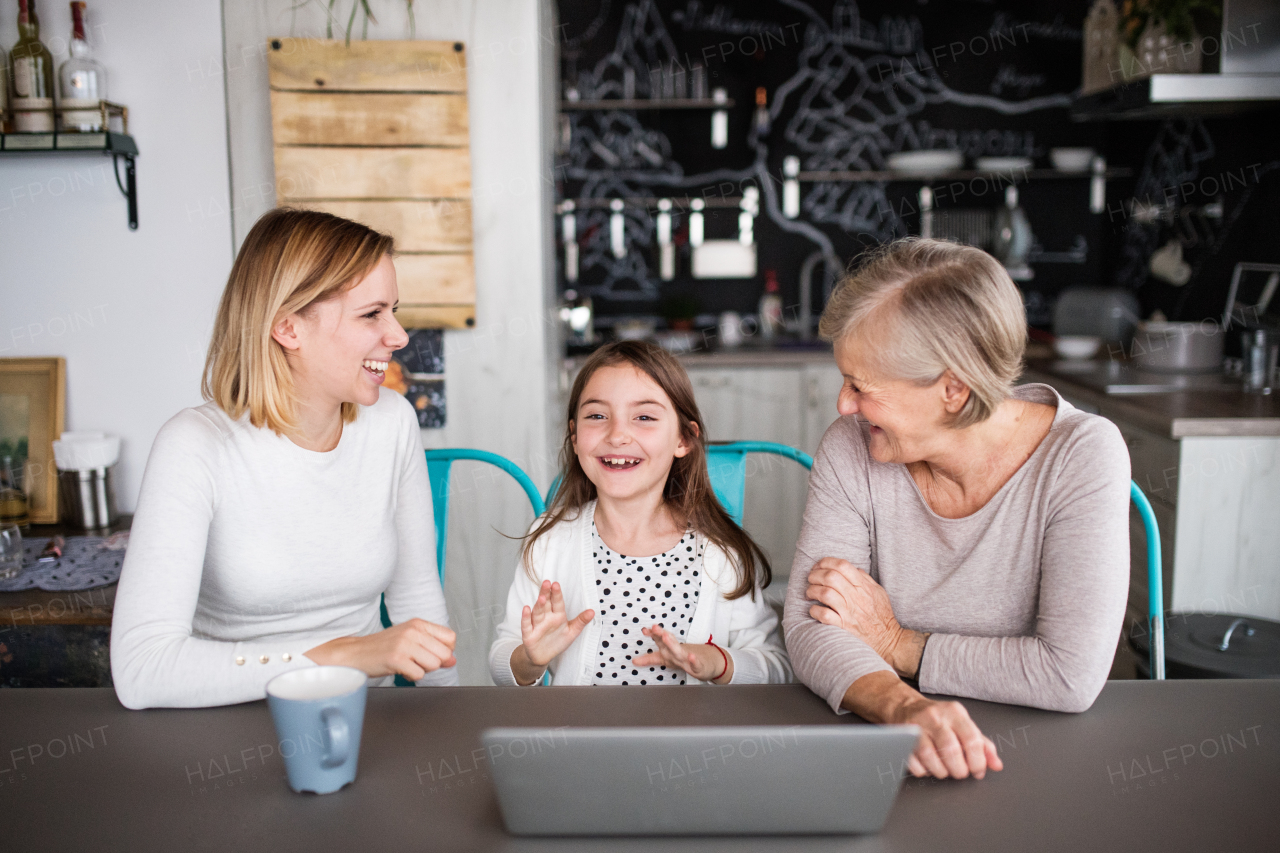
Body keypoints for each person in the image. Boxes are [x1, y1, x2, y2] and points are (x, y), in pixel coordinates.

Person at [784, 238, 1130, 780]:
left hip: (1040, 755)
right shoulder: (852, 445)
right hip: (887, 743)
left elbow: (1067, 673)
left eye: (861, 386)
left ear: (952, 389)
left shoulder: (1082, 454)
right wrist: (903, 706)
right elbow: (810, 627)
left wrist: (898, 644)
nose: (843, 404)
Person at [110, 208, 458, 709]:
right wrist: (343, 655)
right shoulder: (193, 445)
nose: (399, 336)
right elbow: (143, 668)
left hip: (362, 719)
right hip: (226, 723)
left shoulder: (393, 422)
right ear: (288, 328)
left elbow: (418, 602)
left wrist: (453, 728)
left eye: (394, 310)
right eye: (371, 314)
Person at [489, 341, 792, 687]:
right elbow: (502, 661)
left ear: (684, 439)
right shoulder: (549, 541)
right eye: (597, 416)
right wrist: (529, 659)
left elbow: (775, 668)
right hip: (581, 740)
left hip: (691, 742)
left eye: (644, 417)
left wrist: (716, 662)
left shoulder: (721, 552)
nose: (617, 435)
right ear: (574, 437)